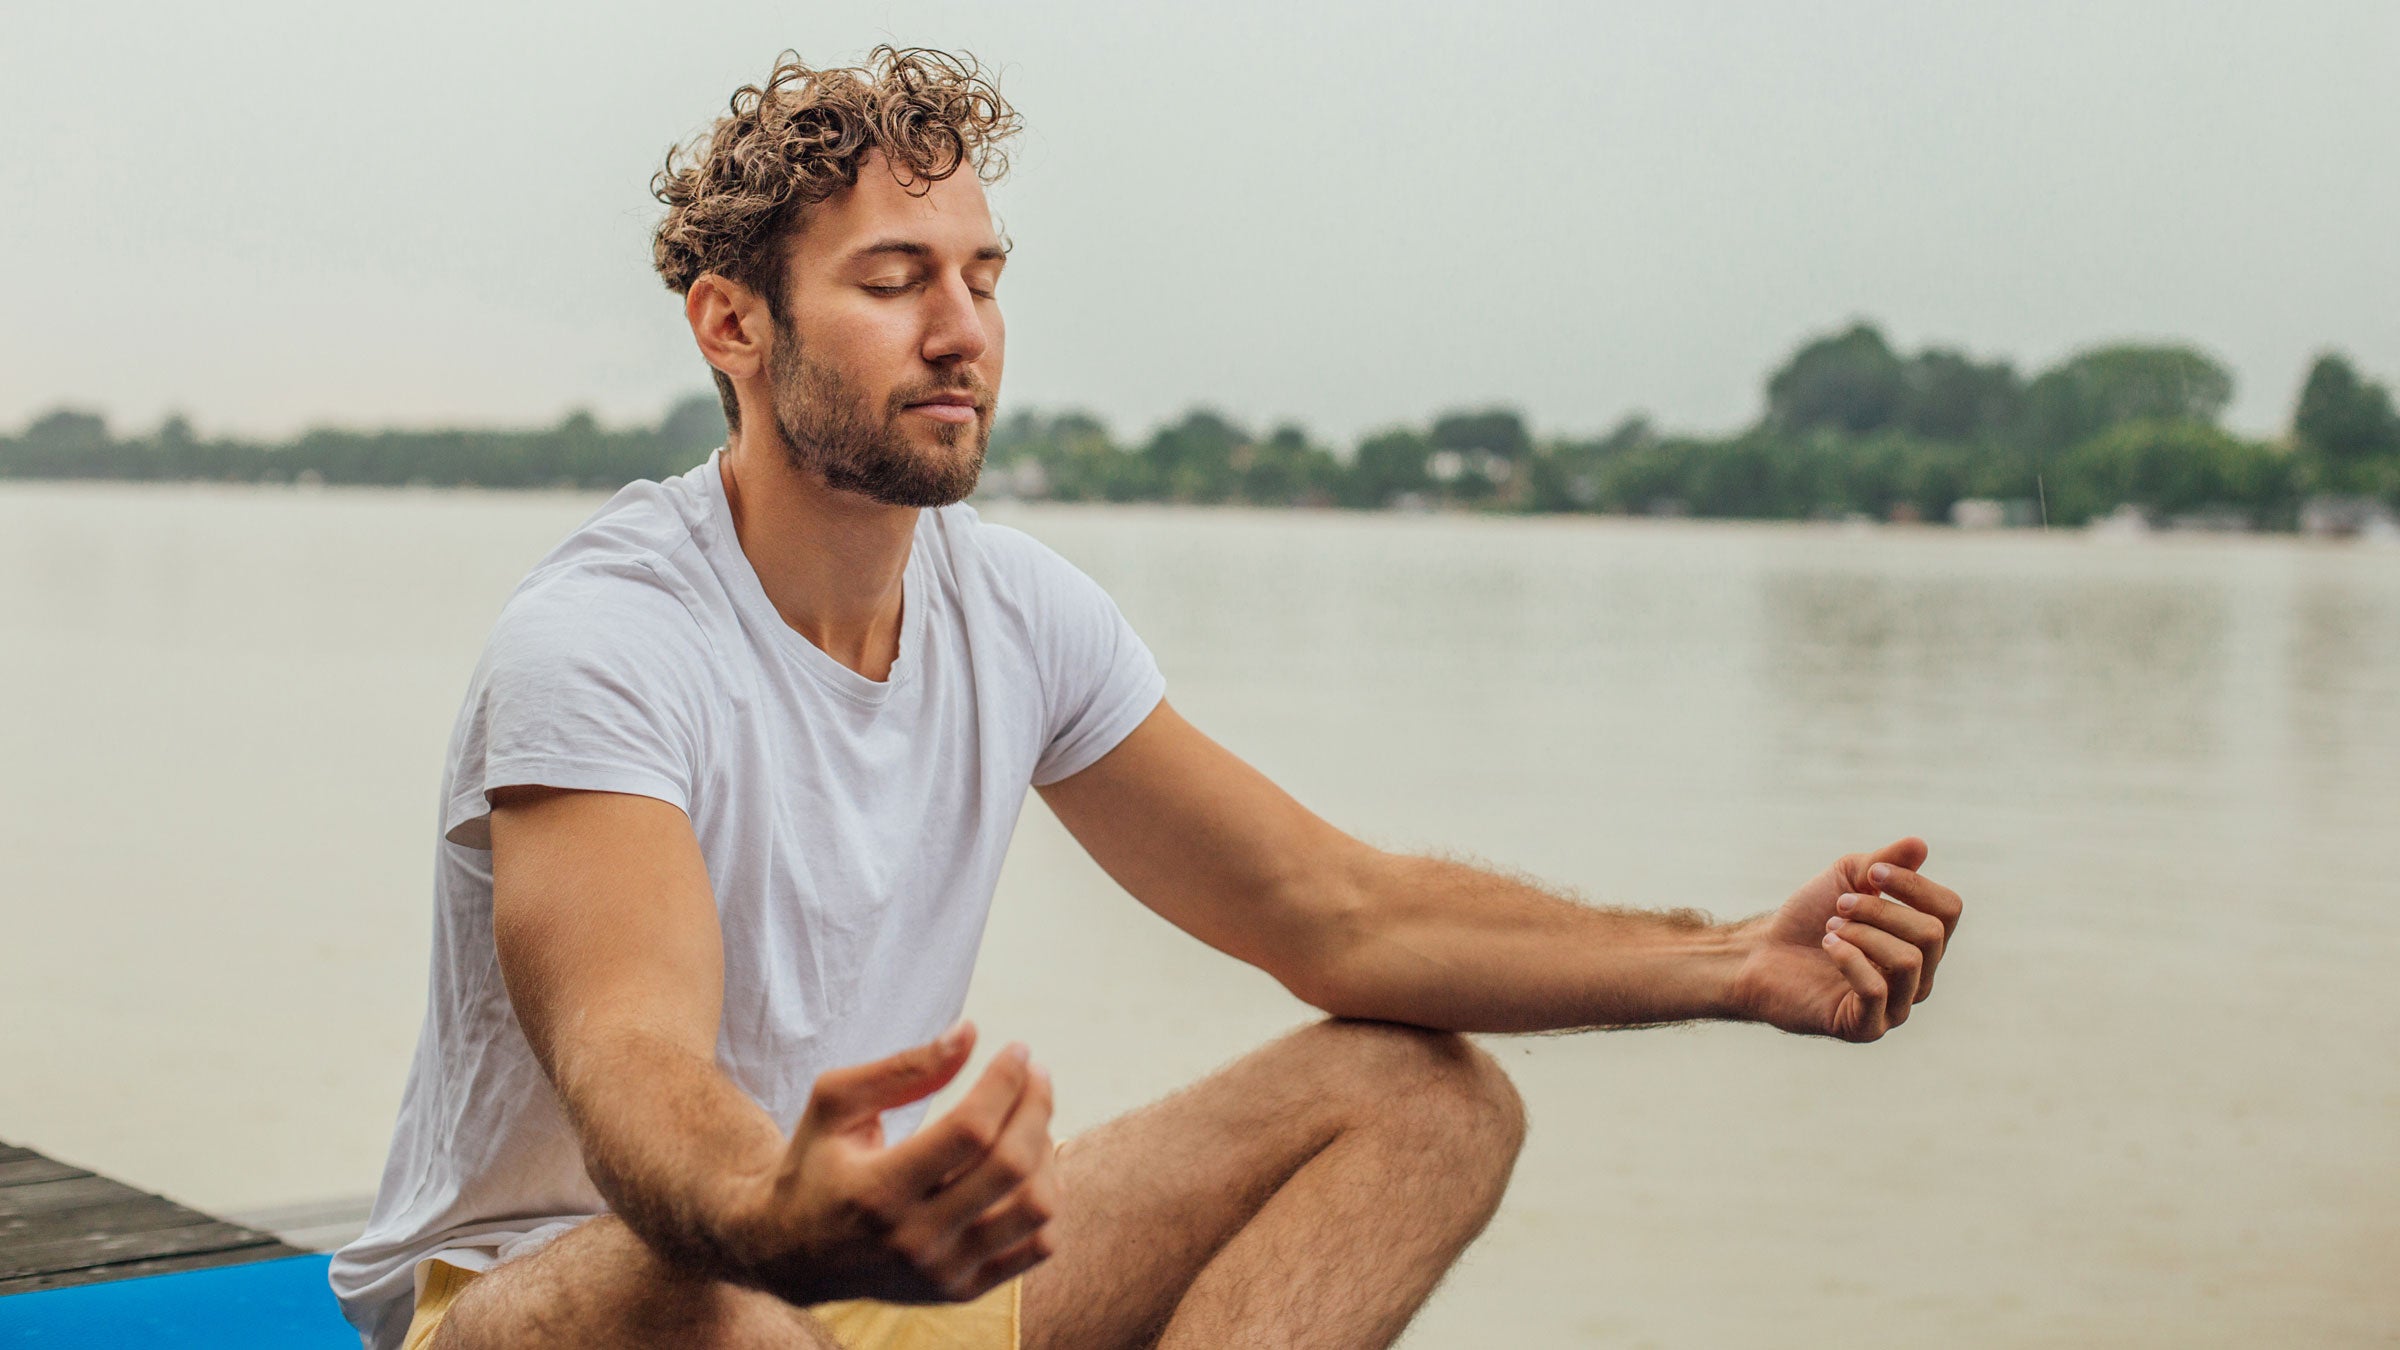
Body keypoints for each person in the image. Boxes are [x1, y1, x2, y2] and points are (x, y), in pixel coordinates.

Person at [328, 45, 1966, 1350]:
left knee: (1426, 1098)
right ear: (732, 324)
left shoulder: (1017, 613)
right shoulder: (605, 639)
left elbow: (1336, 910)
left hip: (851, 1286)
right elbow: (634, 1058)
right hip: (569, 1301)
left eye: (982, 276)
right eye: (895, 281)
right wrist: (777, 1211)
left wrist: (1732, 957)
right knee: (711, 1302)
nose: (962, 332)